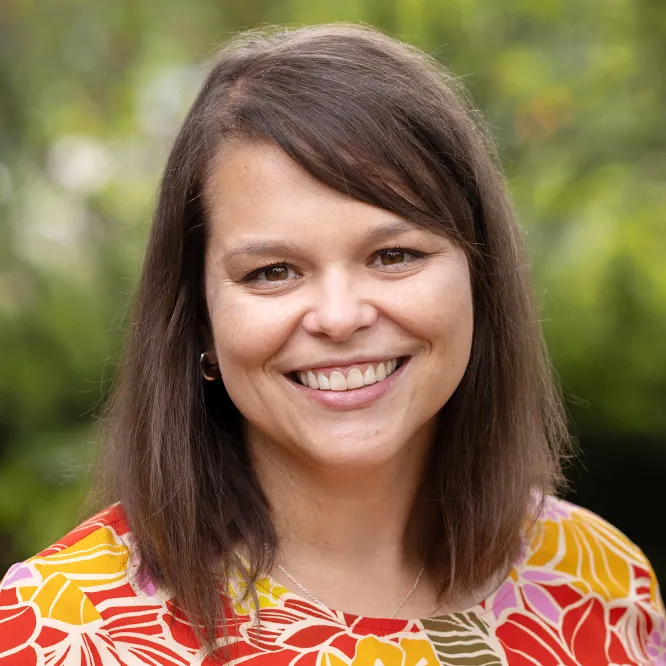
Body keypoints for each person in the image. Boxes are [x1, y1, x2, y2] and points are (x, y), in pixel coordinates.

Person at [1, 23, 664, 666]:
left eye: (395, 254)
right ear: (199, 320)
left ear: (479, 282)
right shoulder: (61, 630)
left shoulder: (599, 583)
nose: (340, 317)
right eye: (272, 271)